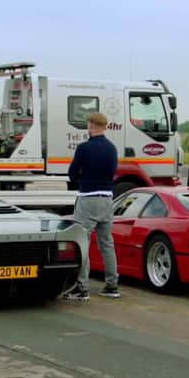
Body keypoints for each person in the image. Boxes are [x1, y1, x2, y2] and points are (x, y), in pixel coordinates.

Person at [64, 112, 120, 301]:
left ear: (90, 125)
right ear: (104, 127)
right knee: (107, 243)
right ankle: (112, 285)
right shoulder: (112, 149)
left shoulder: (84, 148)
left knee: (83, 242)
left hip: (88, 198)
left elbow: (72, 174)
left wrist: (81, 180)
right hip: (107, 198)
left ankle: (82, 288)